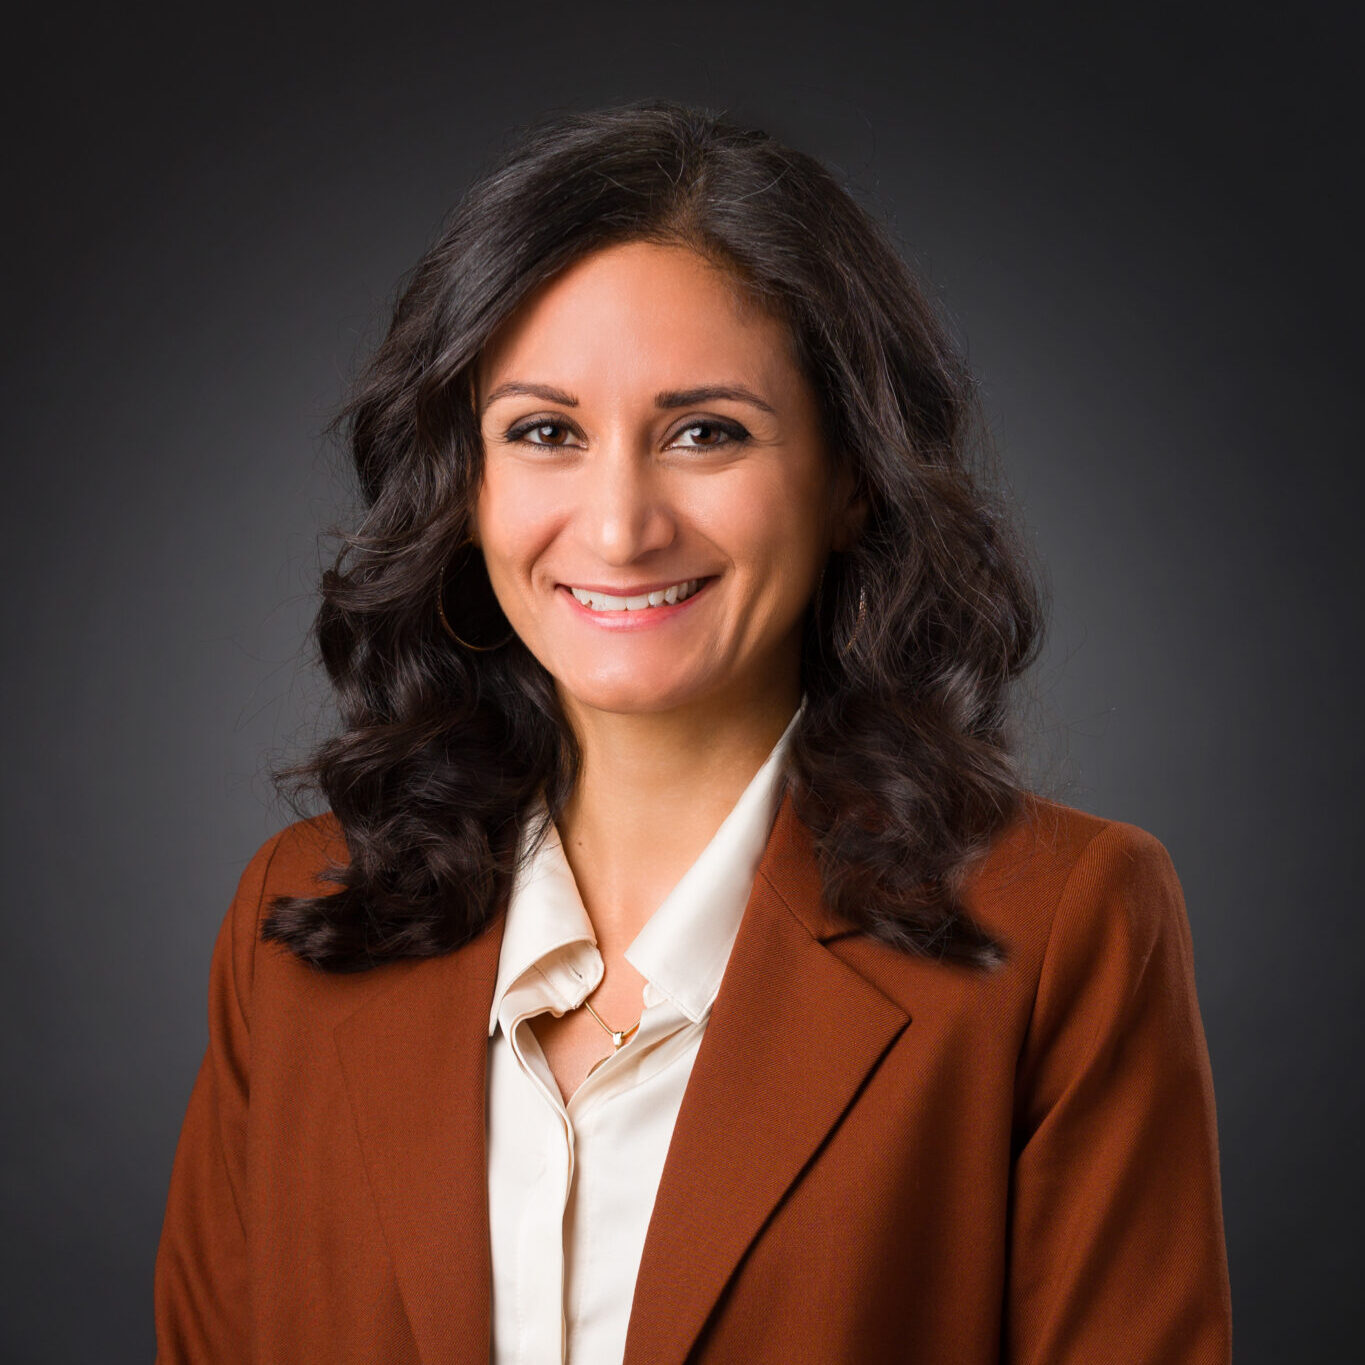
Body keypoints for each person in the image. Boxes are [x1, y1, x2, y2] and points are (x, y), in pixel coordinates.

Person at [153, 100, 1233, 1363]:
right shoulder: (296, 926)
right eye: (544, 432)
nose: (619, 527)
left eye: (705, 433)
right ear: (466, 484)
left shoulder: (1063, 928)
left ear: (850, 480)